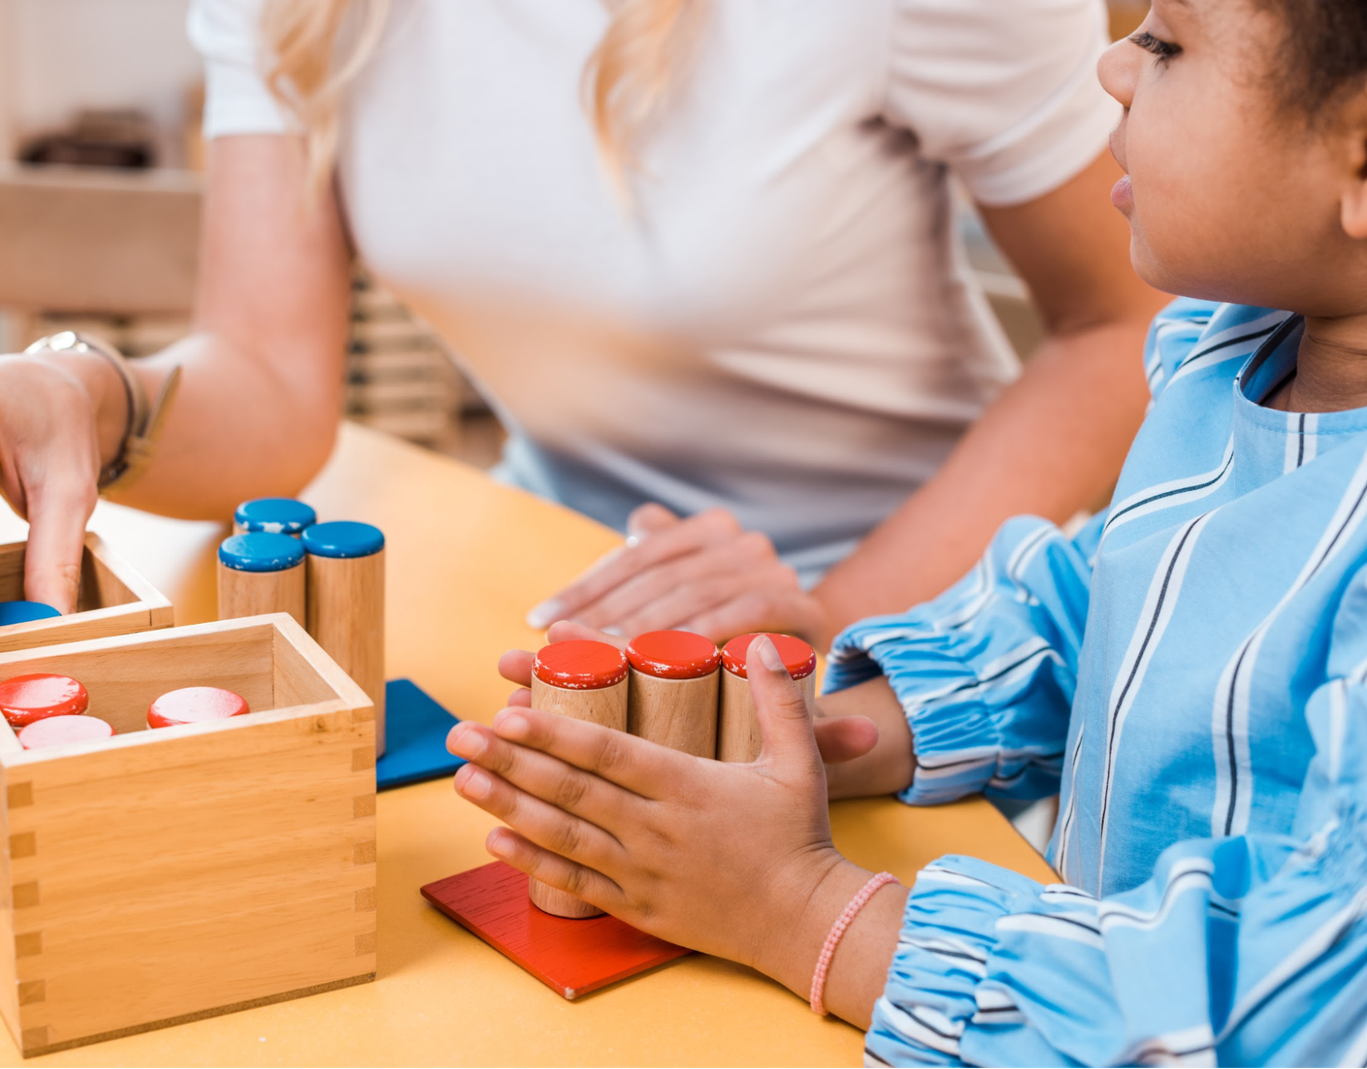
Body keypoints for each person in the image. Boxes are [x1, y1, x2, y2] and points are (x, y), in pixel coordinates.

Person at [446, 2, 1367, 1062]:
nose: (1109, 65)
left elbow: (1296, 994)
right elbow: (1102, 608)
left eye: (1164, 44)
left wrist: (797, 908)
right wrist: (813, 735)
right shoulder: (1232, 349)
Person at [0, 0, 1160, 648]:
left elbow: (1126, 327)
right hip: (565, 581)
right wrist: (79, 388)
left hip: (946, 611)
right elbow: (267, 378)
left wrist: (841, 619)